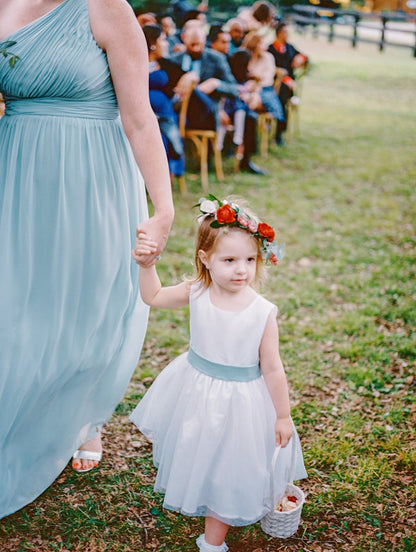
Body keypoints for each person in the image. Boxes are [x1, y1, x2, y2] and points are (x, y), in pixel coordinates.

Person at [0, 0, 174, 519]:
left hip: (92, 176)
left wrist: (162, 208)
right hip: (17, 169)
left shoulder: (104, 8)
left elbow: (140, 120)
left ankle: (84, 414)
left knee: (85, 299)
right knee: (16, 299)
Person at [130, 196, 307, 551]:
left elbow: (272, 367)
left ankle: (213, 541)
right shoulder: (197, 291)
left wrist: (283, 415)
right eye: (229, 260)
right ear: (205, 259)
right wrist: (147, 266)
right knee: (199, 451)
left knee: (229, 465)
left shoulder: (261, 311)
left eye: (249, 260)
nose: (241, 270)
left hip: (240, 401)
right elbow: (153, 297)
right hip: (195, 390)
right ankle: (205, 493)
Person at [169, 25, 267, 174]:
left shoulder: (216, 59)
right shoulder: (174, 59)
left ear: (205, 41)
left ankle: (244, 160)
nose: (196, 49)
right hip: (179, 110)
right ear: (183, 39)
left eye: (199, 45)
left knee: (249, 116)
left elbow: (233, 88)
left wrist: (216, 84)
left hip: (208, 112)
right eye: (192, 45)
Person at [143, 24, 185, 180]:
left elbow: (187, 74)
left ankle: (166, 176)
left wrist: (190, 78)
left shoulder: (167, 65)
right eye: (163, 40)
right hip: (142, 114)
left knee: (163, 136)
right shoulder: (134, 63)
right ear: (152, 43)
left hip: (164, 115)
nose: (166, 43)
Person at [268, 20, 308, 145]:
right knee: (283, 94)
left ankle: (279, 130)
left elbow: (304, 57)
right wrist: (285, 79)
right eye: (285, 32)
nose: (287, 35)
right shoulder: (271, 49)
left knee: (285, 95)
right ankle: (277, 128)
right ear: (279, 33)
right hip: (275, 85)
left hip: (288, 85)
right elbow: (271, 69)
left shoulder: (289, 48)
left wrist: (300, 58)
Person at [243, 33, 285, 123]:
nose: (265, 47)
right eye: (262, 44)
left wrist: (255, 84)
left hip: (264, 89)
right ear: (255, 44)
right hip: (246, 88)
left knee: (255, 101)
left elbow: (267, 79)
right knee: (246, 101)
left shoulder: (268, 57)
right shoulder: (245, 56)